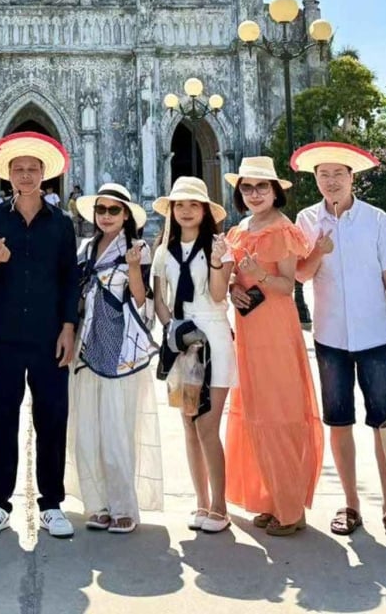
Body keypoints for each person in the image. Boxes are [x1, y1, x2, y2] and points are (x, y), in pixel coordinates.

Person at [291, 142, 386, 542]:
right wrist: (316, 251)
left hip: (376, 335)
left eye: (338, 175)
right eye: (323, 175)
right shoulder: (306, 220)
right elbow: (301, 276)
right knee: (339, 422)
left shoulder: (376, 219)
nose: (331, 182)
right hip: (330, 337)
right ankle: (350, 504)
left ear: (352, 177)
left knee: (383, 423)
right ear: (316, 180)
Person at [0, 132, 79, 541]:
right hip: (5, 337)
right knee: (1, 421)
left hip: (50, 336)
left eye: (33, 169)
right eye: (19, 169)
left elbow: (71, 278)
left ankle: (51, 504)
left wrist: (68, 327)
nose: (27, 175)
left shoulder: (62, 225)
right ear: (9, 176)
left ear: (43, 175)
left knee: (51, 420)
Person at [222, 155, 323, 535]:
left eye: (262, 186)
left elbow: (287, 286)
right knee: (257, 412)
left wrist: (257, 273)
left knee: (281, 412)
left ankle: (290, 507)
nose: (254, 193)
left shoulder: (283, 229)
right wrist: (235, 290)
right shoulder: (239, 230)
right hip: (248, 329)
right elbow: (235, 280)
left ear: (275, 191)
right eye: (247, 187)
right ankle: (270, 498)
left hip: (277, 330)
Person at [66, 182, 160, 534]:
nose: (106, 216)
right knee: (87, 427)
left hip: (120, 348)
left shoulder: (138, 248)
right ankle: (97, 503)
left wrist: (134, 266)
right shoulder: (86, 249)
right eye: (101, 210)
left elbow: (141, 299)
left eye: (113, 210)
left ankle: (123, 506)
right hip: (87, 344)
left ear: (126, 216)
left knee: (117, 427)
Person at [151, 176, 235, 534]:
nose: (186, 211)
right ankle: (201, 502)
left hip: (214, 337)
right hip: (181, 343)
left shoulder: (219, 246)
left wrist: (218, 264)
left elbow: (218, 296)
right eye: (180, 205)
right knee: (188, 423)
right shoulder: (163, 251)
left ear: (205, 211)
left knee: (207, 424)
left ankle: (220, 505)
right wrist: (174, 329)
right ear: (172, 211)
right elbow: (159, 299)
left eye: (193, 205)